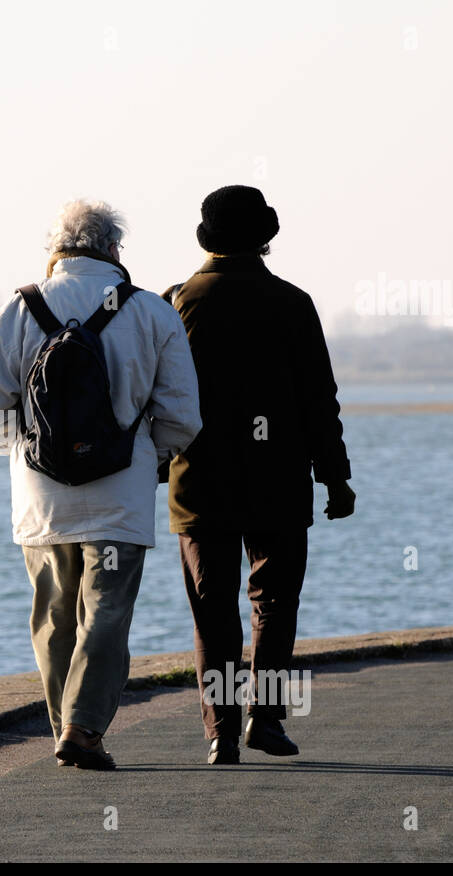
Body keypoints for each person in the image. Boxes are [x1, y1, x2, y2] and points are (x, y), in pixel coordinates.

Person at [0, 199, 202, 770]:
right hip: (120, 497)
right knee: (106, 614)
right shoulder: (152, 312)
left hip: (40, 501)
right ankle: (83, 728)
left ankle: (64, 727)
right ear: (114, 250)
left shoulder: (18, 309)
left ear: (55, 251)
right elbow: (182, 415)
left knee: (53, 616)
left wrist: (26, 449)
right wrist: (149, 459)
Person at [162, 185, 354, 765]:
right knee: (273, 604)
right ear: (266, 236)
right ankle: (264, 721)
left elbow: (157, 398)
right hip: (278, 482)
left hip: (199, 485)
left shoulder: (176, 302)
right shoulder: (294, 304)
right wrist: (335, 477)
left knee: (212, 609)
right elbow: (321, 400)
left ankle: (220, 729)